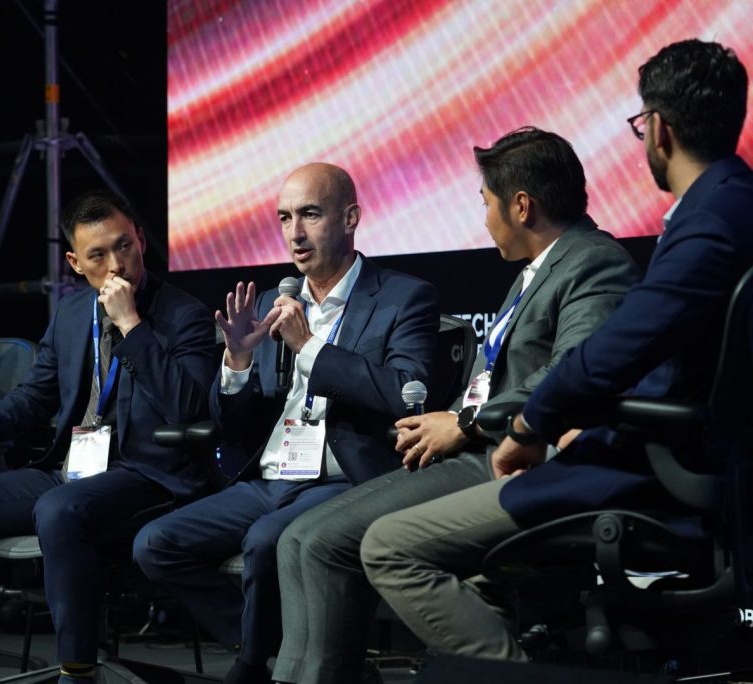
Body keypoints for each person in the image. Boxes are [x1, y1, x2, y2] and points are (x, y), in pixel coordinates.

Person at [361, 38, 753, 662]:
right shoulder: (732, 204)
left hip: (641, 467)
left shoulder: (711, 219)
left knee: (388, 547)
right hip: (647, 448)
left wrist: (531, 423)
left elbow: (612, 352)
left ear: (659, 130)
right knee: (479, 580)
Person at [272, 128, 641, 683]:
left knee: (324, 543)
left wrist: (465, 423)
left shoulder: (593, 263)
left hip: (510, 454)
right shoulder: (537, 270)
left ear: (521, 206)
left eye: (485, 202)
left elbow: (571, 375)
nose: (484, 218)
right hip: (479, 447)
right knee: (298, 537)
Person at [0, 189, 216, 684]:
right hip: (71, 471)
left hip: (148, 474)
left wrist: (131, 325)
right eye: (98, 255)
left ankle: (77, 671)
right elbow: (33, 397)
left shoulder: (184, 315)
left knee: (58, 510)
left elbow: (190, 409)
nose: (116, 265)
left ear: (141, 240)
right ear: (74, 263)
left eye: (124, 246)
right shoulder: (71, 313)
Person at [133, 162, 439, 684]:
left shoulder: (402, 297)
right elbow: (235, 426)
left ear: (350, 218)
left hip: (344, 479)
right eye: (284, 217)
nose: (294, 233)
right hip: (271, 478)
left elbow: (406, 393)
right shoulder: (277, 303)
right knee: (156, 544)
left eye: (310, 215)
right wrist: (237, 362)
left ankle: (252, 667)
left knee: (264, 540)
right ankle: (286, 652)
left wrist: (310, 348)